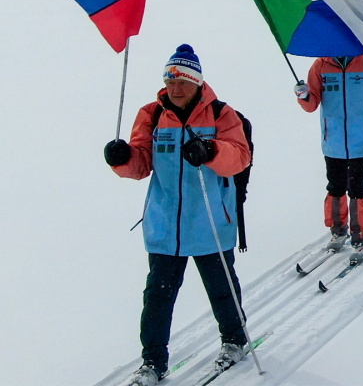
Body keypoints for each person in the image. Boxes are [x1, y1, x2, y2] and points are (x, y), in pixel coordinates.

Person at [104, 45, 252, 386]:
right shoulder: (152, 115)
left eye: (183, 81)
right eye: (170, 80)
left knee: (221, 288)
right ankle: (152, 362)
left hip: (210, 223)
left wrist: (211, 150)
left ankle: (234, 340)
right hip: (165, 225)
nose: (176, 88)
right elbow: (141, 164)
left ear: (197, 83)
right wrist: (121, 158)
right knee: (157, 296)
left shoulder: (221, 114)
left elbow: (239, 157)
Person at [295, 54, 363, 257]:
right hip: (333, 140)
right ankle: (338, 231)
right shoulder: (320, 65)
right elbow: (312, 105)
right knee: (335, 187)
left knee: (357, 188)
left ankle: (360, 236)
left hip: (361, 140)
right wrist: (303, 95)